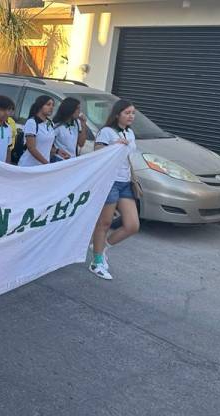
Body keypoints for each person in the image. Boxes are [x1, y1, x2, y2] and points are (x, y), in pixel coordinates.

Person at [89, 99, 140, 280]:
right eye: (127, 113)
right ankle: (97, 261)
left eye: (133, 113)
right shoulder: (107, 132)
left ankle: (102, 248)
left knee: (132, 225)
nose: (131, 116)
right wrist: (114, 145)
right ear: (117, 114)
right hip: (109, 182)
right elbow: (97, 154)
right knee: (105, 223)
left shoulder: (131, 133)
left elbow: (129, 158)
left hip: (125, 182)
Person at [18, 95, 56, 166]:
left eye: (53, 105)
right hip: (29, 165)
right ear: (40, 106)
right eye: (48, 104)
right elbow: (31, 148)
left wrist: (58, 151)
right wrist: (47, 164)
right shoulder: (32, 122)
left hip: (42, 166)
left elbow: (48, 146)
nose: (51, 107)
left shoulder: (50, 123)